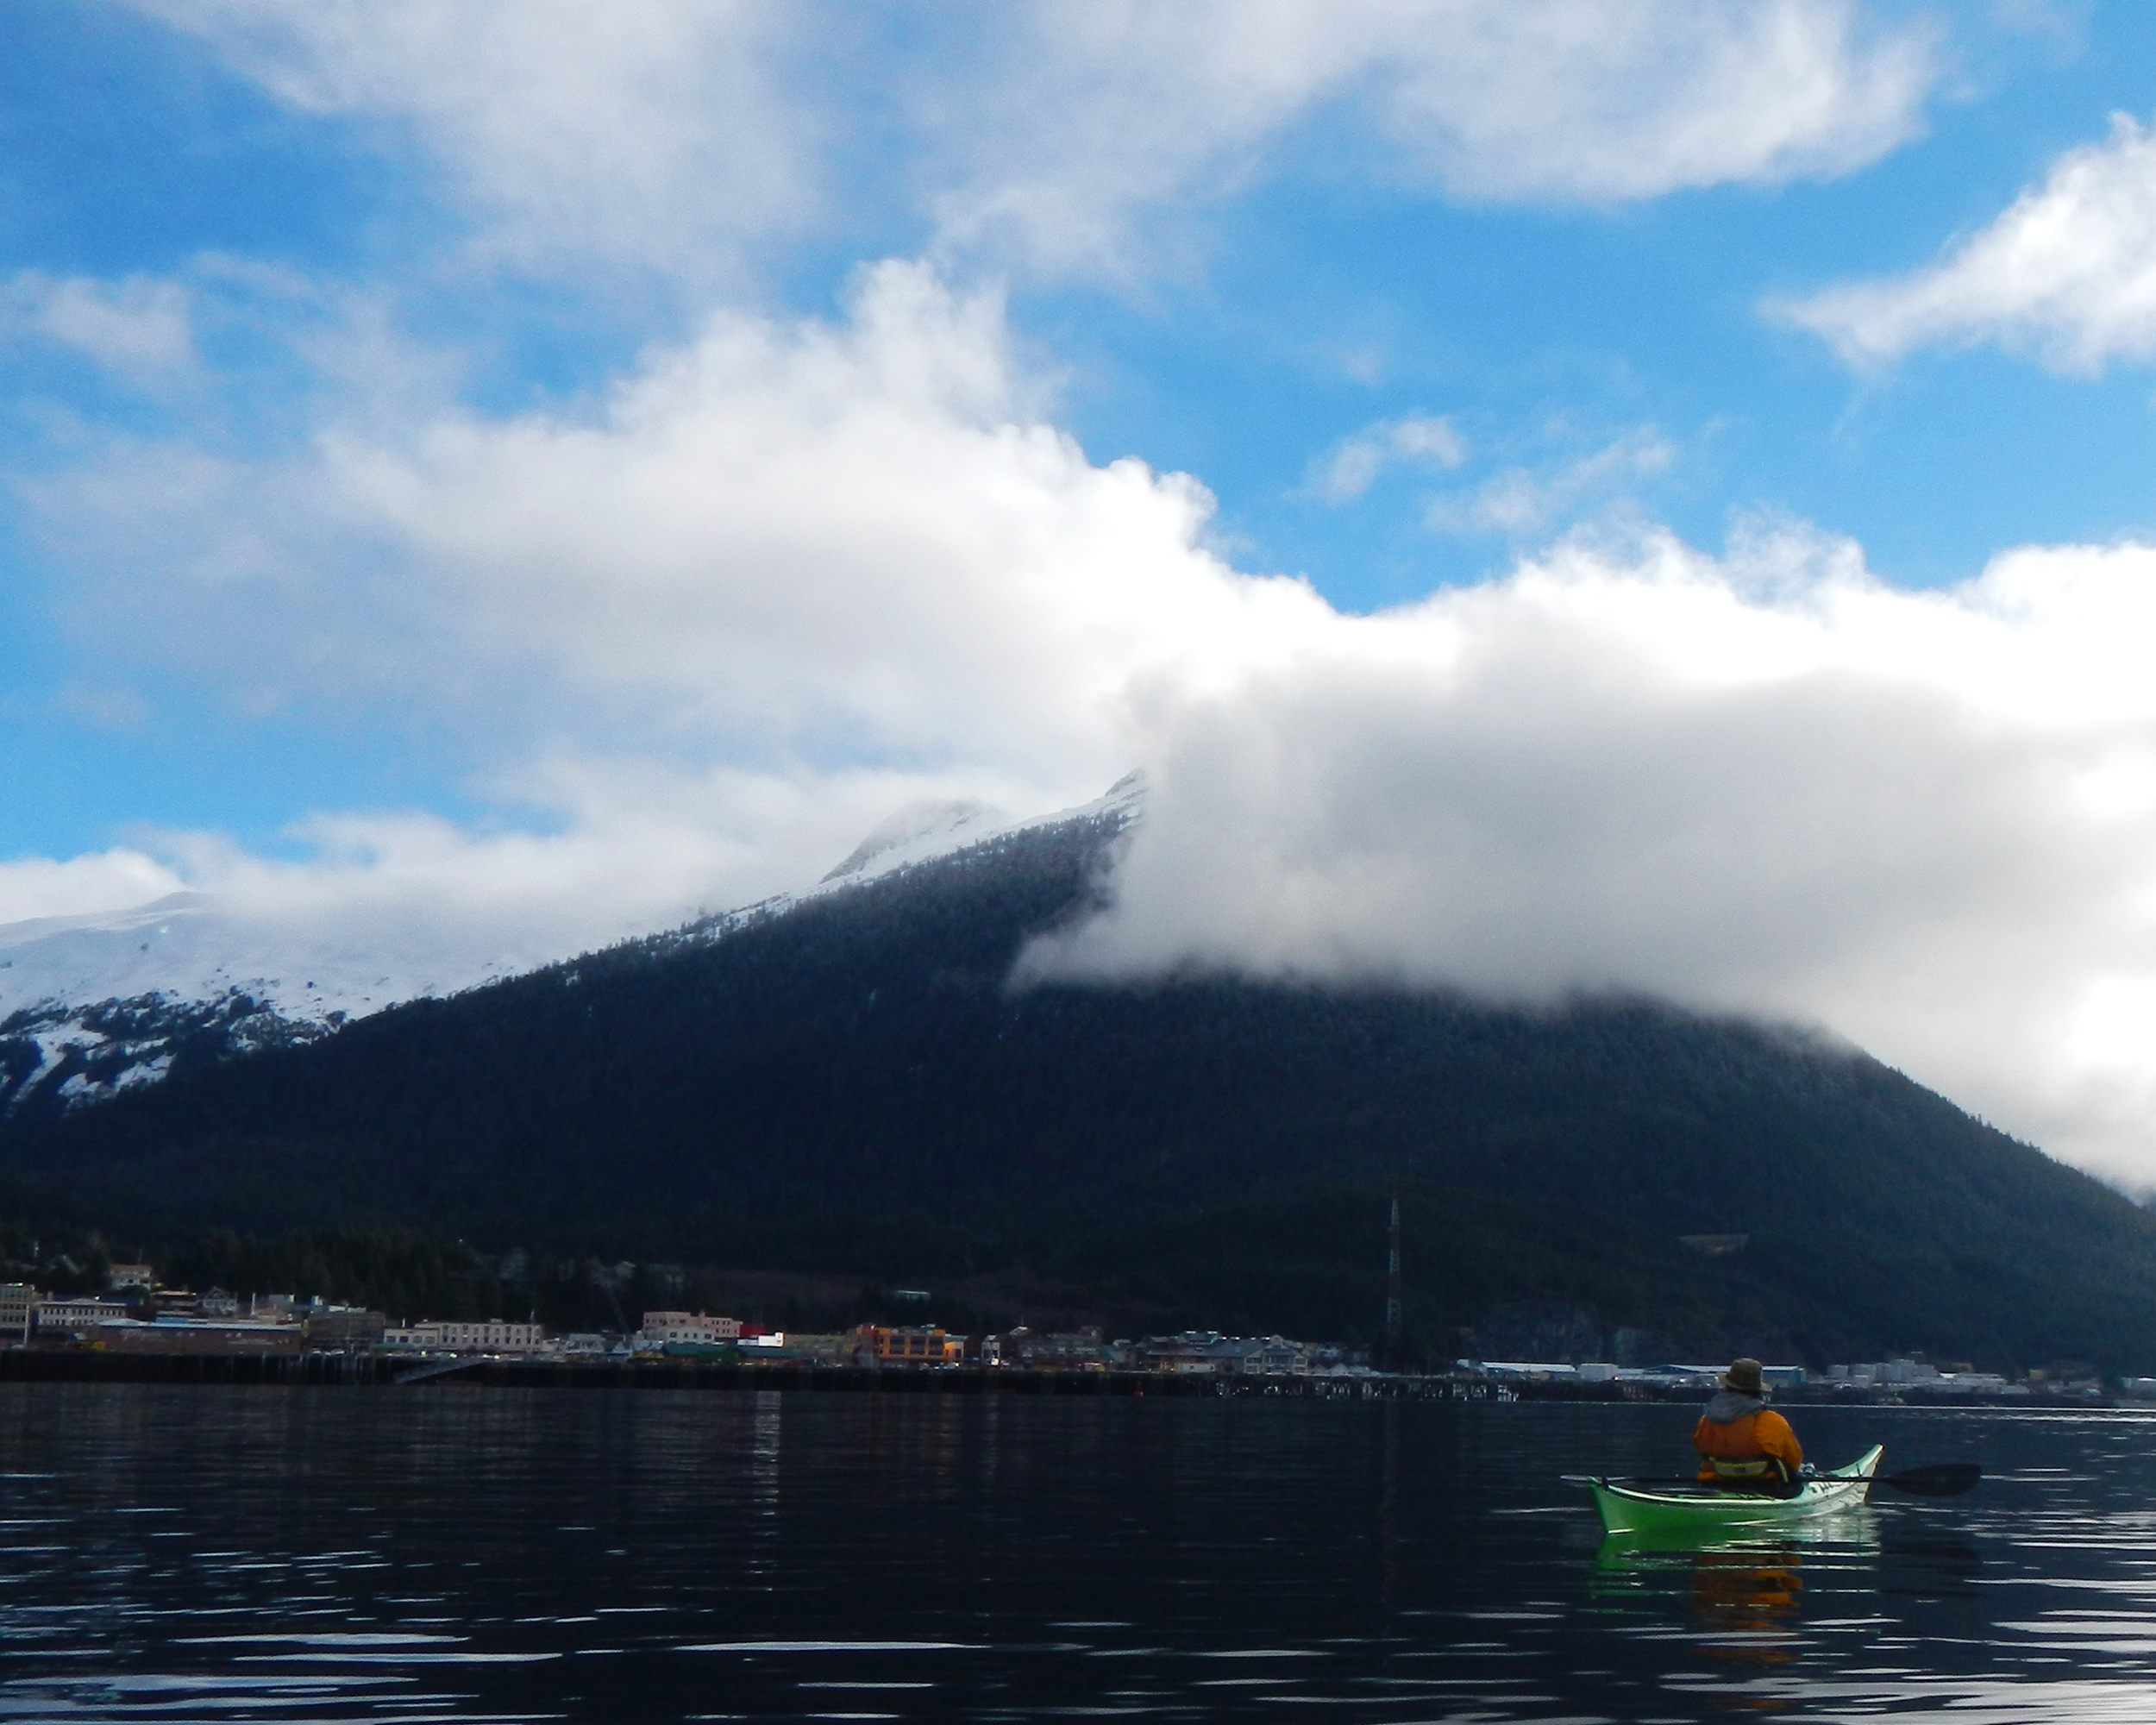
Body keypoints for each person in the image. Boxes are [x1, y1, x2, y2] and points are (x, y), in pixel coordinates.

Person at [1694, 1358, 1804, 1494]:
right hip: (1763, 1487)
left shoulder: (1706, 1420)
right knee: (1797, 1479)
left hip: (1714, 1484)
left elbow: (1701, 1450)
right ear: (1757, 1391)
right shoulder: (1771, 1421)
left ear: (1728, 1386)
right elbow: (1794, 1461)